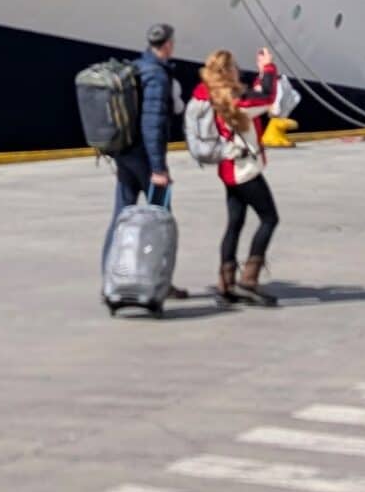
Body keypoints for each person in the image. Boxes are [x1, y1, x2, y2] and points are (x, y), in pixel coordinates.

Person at [189, 48, 284, 304]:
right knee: (269, 218)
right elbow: (264, 98)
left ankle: (226, 281)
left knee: (235, 222)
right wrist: (268, 69)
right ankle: (249, 280)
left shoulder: (211, 94)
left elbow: (253, 96)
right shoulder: (238, 101)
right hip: (245, 170)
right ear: (230, 71)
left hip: (228, 168)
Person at [111, 24, 182, 288]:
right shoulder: (157, 75)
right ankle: (161, 281)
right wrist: (159, 169)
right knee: (161, 221)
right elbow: (151, 124)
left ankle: (111, 278)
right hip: (144, 158)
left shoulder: (137, 68)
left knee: (121, 217)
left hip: (124, 153)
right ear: (168, 45)